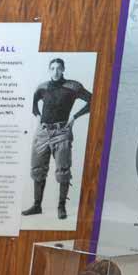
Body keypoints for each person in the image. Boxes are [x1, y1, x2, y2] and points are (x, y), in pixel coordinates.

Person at [23, 58, 91, 220]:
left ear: (63, 69)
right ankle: (37, 205)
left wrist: (74, 117)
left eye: (59, 68)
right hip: (42, 132)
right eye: (52, 68)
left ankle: (61, 207)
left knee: (63, 170)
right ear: (49, 70)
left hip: (62, 132)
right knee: (37, 169)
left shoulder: (73, 86)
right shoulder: (43, 87)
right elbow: (31, 102)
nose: (55, 71)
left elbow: (93, 100)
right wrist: (38, 115)